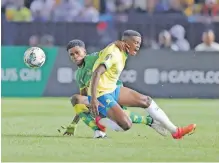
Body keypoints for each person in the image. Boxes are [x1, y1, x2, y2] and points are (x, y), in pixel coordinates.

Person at [88, 30, 196, 139]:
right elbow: (97, 72)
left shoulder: (121, 50)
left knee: (146, 101)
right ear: (126, 42)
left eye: (139, 43)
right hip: (99, 93)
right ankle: (101, 121)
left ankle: (176, 131)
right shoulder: (114, 52)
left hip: (112, 89)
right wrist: (93, 99)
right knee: (126, 125)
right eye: (135, 43)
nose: (138, 46)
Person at [58, 39, 168, 138]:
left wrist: (115, 43)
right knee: (76, 99)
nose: (75, 56)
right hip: (99, 98)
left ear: (85, 52)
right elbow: (81, 101)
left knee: (122, 121)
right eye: (71, 54)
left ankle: (149, 120)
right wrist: (73, 124)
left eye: (77, 52)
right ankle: (99, 131)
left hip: (114, 92)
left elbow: (108, 51)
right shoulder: (79, 75)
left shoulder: (93, 58)